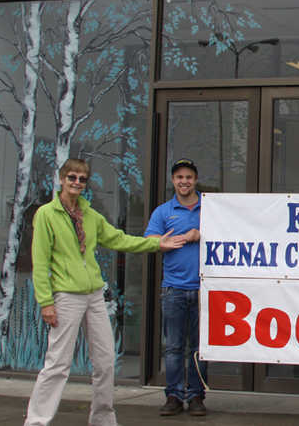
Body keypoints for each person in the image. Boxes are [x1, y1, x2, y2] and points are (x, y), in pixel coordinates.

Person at [25, 158, 185, 426]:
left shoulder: (91, 216)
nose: (77, 182)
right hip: (66, 296)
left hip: (94, 295)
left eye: (82, 179)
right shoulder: (46, 215)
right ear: (62, 179)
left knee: (106, 361)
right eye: (72, 177)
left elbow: (119, 239)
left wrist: (157, 243)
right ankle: (36, 421)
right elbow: (40, 262)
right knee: (58, 364)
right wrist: (46, 302)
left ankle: (103, 420)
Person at [145, 158, 208, 417]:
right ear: (173, 180)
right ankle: (173, 396)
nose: (184, 181)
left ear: (195, 180)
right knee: (173, 347)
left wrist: (199, 232)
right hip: (173, 289)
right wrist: (163, 241)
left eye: (189, 177)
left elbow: (231, 230)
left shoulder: (211, 207)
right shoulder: (163, 211)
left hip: (205, 288)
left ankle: (196, 397)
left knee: (199, 349)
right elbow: (149, 240)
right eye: (179, 177)